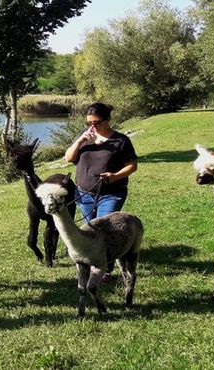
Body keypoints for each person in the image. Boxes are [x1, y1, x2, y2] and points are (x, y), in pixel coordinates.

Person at [63, 102, 138, 282]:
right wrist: (80, 140)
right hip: (84, 194)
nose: (92, 126)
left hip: (111, 193)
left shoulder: (120, 140)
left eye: (96, 122)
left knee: (105, 229)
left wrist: (114, 176)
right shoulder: (84, 136)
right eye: (89, 122)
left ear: (107, 120)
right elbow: (68, 158)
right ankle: (93, 264)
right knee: (91, 231)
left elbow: (132, 166)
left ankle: (105, 271)